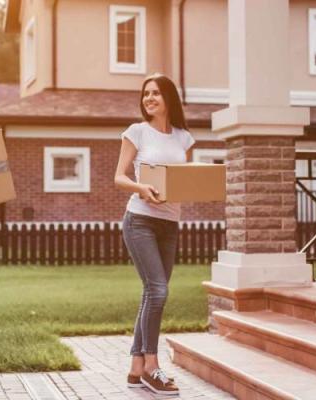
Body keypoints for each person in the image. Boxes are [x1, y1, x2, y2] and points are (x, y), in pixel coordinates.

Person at [113, 73, 194, 396]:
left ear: (169, 98)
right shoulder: (137, 132)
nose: (149, 98)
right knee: (158, 292)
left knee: (152, 293)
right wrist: (141, 187)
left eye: (156, 93)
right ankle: (151, 365)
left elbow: (183, 180)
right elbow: (119, 177)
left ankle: (136, 369)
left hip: (169, 223)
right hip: (140, 220)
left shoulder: (184, 138)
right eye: (146, 93)